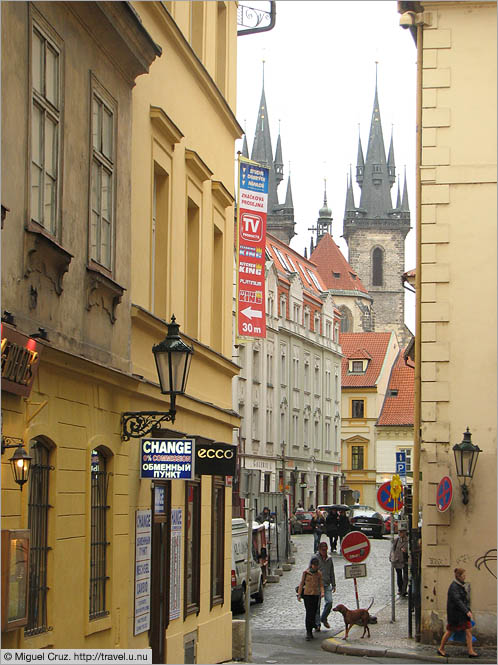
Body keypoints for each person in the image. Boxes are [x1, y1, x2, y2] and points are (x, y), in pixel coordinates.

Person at [437, 568, 478, 658]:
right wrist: (466, 611)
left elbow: (463, 601)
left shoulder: (459, 585)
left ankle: (471, 651)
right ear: (459, 576)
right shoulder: (454, 587)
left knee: (468, 631)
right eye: (463, 575)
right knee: (449, 631)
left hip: (461, 615)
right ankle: (441, 648)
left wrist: (467, 610)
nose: (465, 577)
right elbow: (458, 601)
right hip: (456, 616)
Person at [297, 556, 324, 641]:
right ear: (311, 565)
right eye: (314, 565)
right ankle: (308, 632)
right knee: (309, 613)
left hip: (315, 595)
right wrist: (299, 594)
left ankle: (313, 625)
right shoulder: (306, 573)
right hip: (307, 595)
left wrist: (322, 592)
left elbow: (321, 584)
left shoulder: (319, 574)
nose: (315, 567)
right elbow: (301, 584)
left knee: (314, 612)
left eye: (317, 565)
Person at [314, 541, 336, 630]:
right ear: (319, 550)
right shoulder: (315, 558)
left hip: (327, 584)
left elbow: (332, 572)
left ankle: (324, 618)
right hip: (317, 585)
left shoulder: (329, 559)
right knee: (317, 605)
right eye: (322, 550)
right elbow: (310, 570)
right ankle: (317, 624)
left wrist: (334, 584)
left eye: (325, 550)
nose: (324, 552)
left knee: (329, 602)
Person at [390, 528, 409, 596]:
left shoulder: (408, 541)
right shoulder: (397, 540)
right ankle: (400, 589)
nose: (399, 533)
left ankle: (404, 590)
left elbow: (410, 551)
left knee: (405, 576)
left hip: (405, 561)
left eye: (401, 532)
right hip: (397, 560)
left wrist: (406, 551)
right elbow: (392, 550)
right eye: (399, 532)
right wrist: (391, 558)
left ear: (404, 532)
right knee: (399, 575)